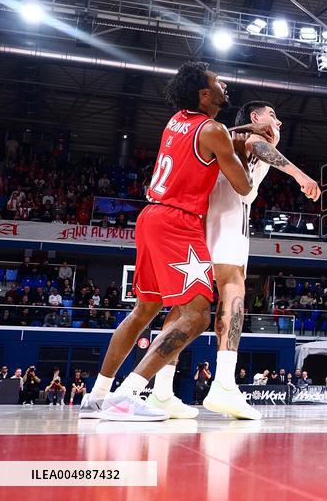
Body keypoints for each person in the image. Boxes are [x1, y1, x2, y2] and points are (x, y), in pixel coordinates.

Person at [79, 62, 269, 421]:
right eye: (217, 82)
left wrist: (238, 133)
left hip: (150, 216)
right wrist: (252, 154)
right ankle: (127, 395)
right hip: (178, 222)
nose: (224, 86)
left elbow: (210, 136)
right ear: (204, 94)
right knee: (196, 316)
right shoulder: (214, 130)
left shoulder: (176, 121)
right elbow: (244, 187)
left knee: (144, 311)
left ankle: (97, 396)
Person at [149, 101, 319, 421]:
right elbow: (258, 145)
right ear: (255, 117)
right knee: (233, 289)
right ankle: (224, 385)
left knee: (184, 308)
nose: (279, 123)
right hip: (227, 215)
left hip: (199, 219)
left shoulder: (225, 135)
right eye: (273, 115)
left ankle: (161, 391)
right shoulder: (251, 137)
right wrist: (301, 176)